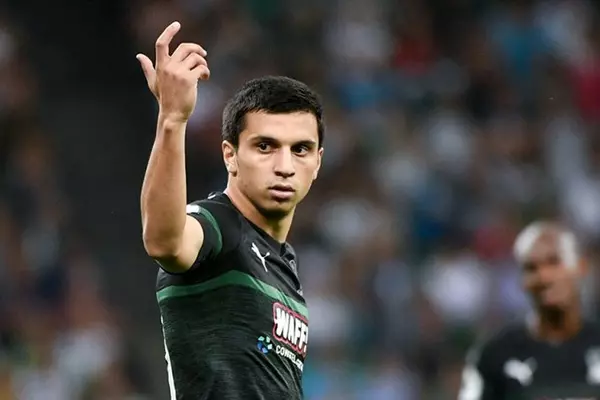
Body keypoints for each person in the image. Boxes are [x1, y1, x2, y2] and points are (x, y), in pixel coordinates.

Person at [137, 22, 324, 400]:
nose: (285, 166)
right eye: (265, 146)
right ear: (230, 156)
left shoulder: (284, 264)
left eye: (300, 149)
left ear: (317, 162)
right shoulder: (218, 225)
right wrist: (172, 120)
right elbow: (164, 240)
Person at [458, 221, 600, 400]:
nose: (544, 276)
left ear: (581, 267)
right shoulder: (494, 354)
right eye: (531, 268)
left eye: (554, 262)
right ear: (521, 280)